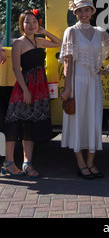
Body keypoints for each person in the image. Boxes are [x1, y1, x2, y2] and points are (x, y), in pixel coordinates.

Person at [60, 0, 109, 179]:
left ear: (92, 11)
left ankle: (91, 162)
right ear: (75, 13)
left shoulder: (100, 31)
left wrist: (107, 69)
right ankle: (80, 163)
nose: (83, 13)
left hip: (94, 82)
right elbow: (68, 63)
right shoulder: (71, 31)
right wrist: (68, 88)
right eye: (79, 10)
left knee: (93, 120)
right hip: (77, 80)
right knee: (78, 120)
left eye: (86, 9)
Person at [2, 9, 61, 177]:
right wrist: (25, 90)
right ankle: (8, 163)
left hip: (40, 84)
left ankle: (27, 163)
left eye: (35, 22)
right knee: (14, 122)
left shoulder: (40, 41)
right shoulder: (19, 43)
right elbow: (15, 68)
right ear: (22, 25)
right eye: (28, 22)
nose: (32, 25)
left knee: (31, 125)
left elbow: (57, 42)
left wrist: (44, 31)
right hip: (25, 85)